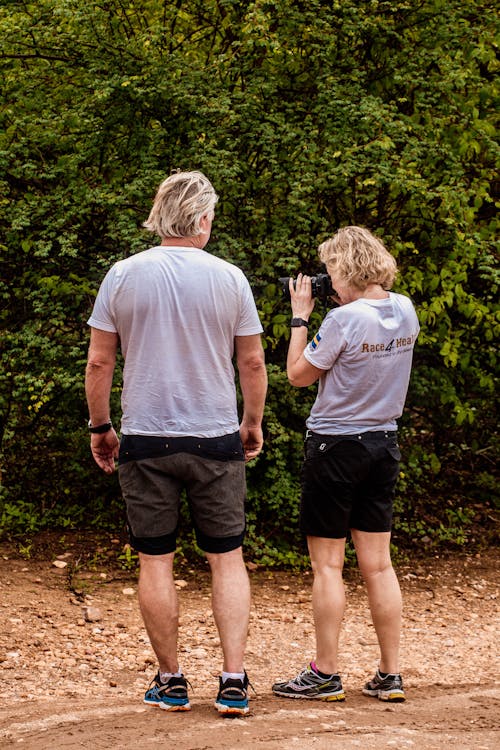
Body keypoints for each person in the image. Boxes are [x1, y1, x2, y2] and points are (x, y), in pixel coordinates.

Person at [85, 170, 267, 716]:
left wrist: (100, 427)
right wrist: (251, 421)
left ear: (159, 214)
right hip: (215, 437)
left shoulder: (122, 274)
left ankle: (171, 680)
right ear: (204, 218)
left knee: (155, 562)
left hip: (146, 438)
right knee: (227, 558)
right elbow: (252, 361)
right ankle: (233, 681)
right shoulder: (230, 278)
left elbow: (99, 361)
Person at [272, 226, 419, 703]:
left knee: (328, 565)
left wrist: (300, 318)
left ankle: (326, 672)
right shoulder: (405, 309)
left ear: (349, 267)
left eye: (332, 269)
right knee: (378, 565)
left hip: (335, 446)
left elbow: (297, 376)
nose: (327, 279)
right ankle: (389, 673)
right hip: (383, 443)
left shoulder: (342, 321)